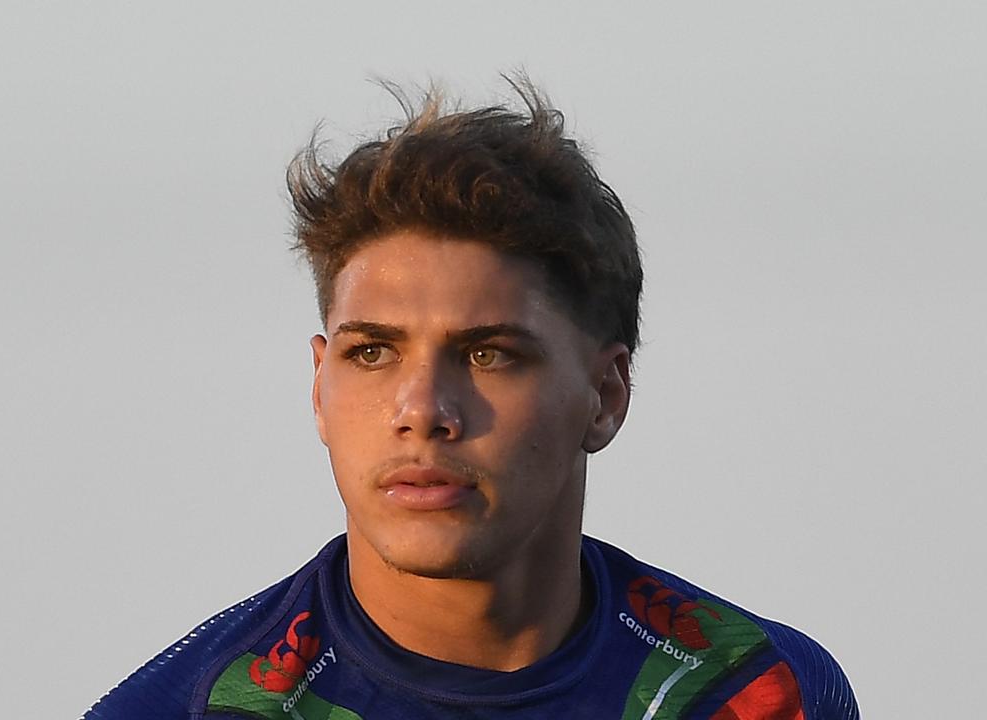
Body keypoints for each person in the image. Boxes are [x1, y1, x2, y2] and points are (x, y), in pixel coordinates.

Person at [84, 79, 859, 719]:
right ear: (319, 387)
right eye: (372, 352)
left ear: (606, 394)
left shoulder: (757, 691)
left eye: (488, 354)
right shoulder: (187, 709)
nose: (421, 409)